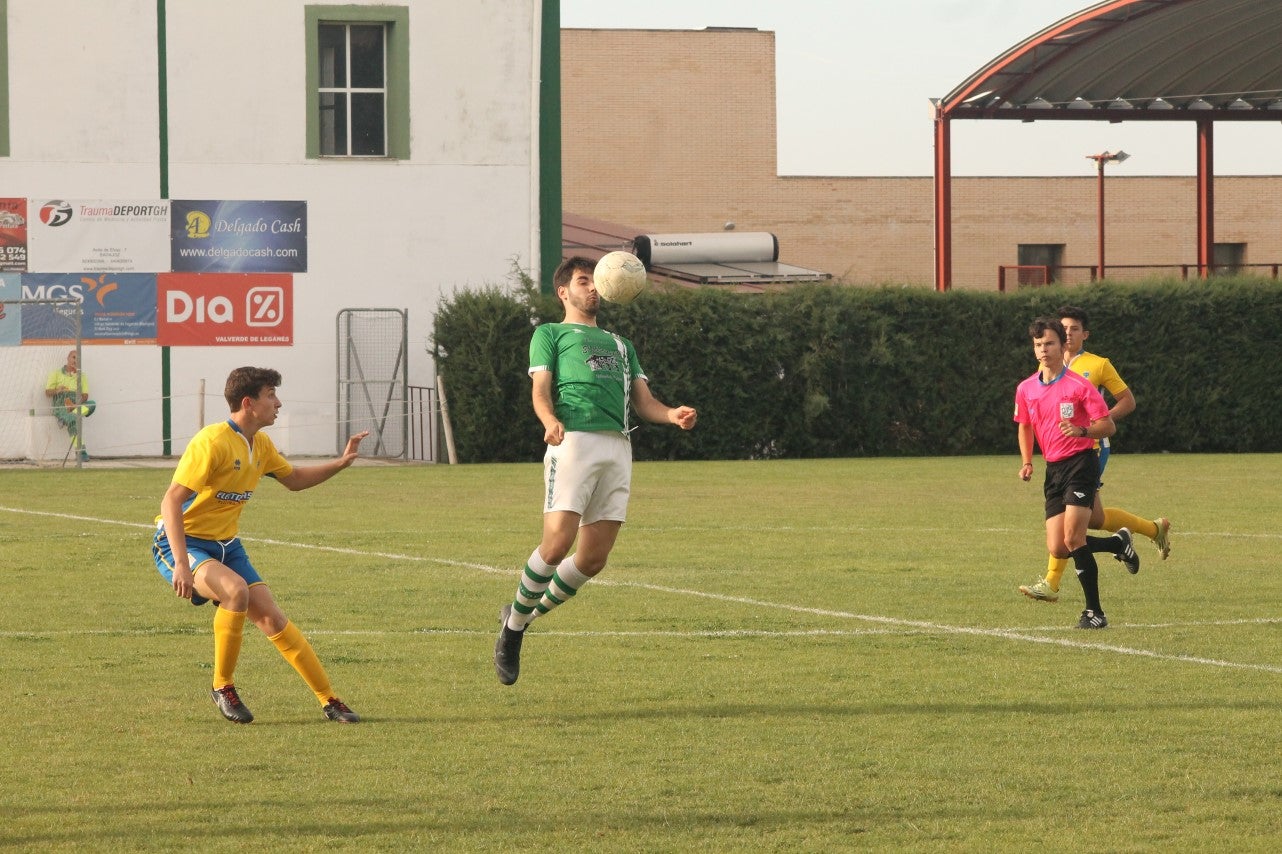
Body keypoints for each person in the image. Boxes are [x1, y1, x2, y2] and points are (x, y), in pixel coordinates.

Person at [493, 255, 698, 684]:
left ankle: (521, 617)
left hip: (618, 446)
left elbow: (644, 402)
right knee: (556, 544)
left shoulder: (622, 345)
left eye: (594, 281)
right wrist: (550, 422)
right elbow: (540, 390)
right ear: (564, 292)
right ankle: (512, 633)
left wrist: (672, 414)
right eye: (583, 281)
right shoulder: (549, 334)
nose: (592, 288)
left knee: (592, 559)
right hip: (574, 442)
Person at [151, 366, 370, 723]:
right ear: (249, 403)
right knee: (236, 591)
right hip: (184, 542)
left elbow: (295, 480)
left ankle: (330, 701)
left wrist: (342, 463)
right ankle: (222, 686)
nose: (278, 402)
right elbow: (171, 501)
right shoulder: (212, 441)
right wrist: (179, 563)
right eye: (271, 395)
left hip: (227, 545)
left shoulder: (261, 444)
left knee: (272, 618)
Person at [1019, 305, 1171, 603]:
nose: (1068, 333)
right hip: (1059, 454)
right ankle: (1148, 531)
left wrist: (1091, 425)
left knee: (1074, 524)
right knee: (1095, 518)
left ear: (1083, 334)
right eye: (1063, 329)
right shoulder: (1042, 371)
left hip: (1089, 449)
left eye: (1073, 329)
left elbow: (1127, 401)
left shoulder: (1097, 365)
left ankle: (1052, 582)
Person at [1015, 317, 1140, 629]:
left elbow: (1107, 425)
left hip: (1081, 463)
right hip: (1053, 469)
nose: (1043, 350)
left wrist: (1083, 430)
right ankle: (1117, 543)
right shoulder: (1026, 388)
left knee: (1074, 537)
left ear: (1062, 345)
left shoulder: (1079, 386)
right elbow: (1025, 426)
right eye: (1038, 345)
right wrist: (1028, 460)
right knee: (1058, 547)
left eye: (1049, 344)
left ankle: (1095, 613)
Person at [45, 349, 93, 462]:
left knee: (92, 405)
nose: (75, 361)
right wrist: (58, 390)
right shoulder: (56, 373)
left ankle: (66, 416)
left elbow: (85, 396)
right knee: (73, 420)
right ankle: (81, 452)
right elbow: (47, 392)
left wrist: (76, 403)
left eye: (78, 359)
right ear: (68, 358)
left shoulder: (82, 376)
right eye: (73, 357)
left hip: (75, 405)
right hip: (61, 405)